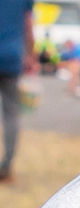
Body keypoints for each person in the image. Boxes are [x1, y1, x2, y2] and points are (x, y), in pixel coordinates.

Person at [0, 0, 34, 182]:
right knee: (11, 113)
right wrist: (31, 54)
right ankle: (6, 166)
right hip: (11, 57)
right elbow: (28, 23)